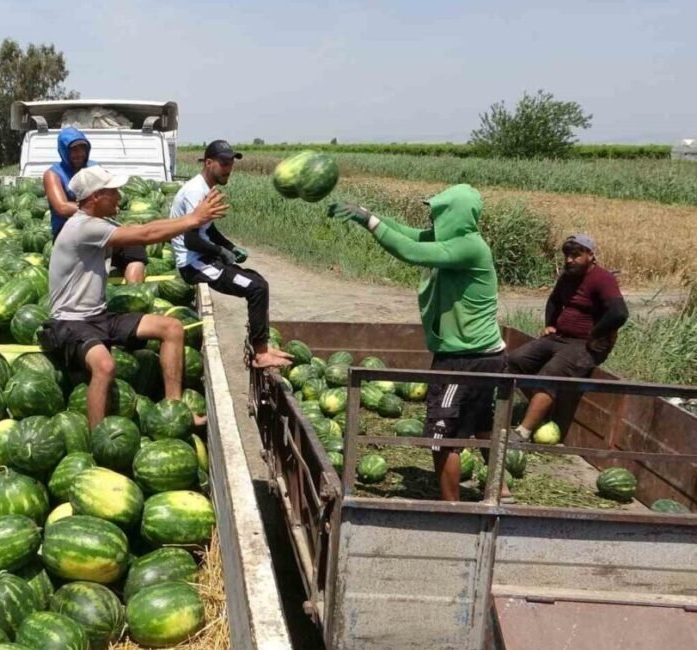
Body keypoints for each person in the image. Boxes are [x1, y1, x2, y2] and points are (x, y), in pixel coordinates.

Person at [329, 184, 511, 502]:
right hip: (483, 355)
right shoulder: (455, 240)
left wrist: (369, 222)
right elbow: (409, 235)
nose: (432, 217)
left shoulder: (469, 248)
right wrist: (367, 215)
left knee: (443, 438)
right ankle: (502, 488)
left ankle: (450, 509)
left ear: (455, 213)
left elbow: (409, 251)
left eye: (438, 211)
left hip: (464, 359)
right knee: (481, 423)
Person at [39, 165, 228, 429]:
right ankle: (98, 437)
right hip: (70, 322)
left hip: (98, 315)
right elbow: (145, 235)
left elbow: (147, 227)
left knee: (172, 328)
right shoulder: (83, 228)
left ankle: (174, 408)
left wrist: (189, 219)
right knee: (104, 366)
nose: (119, 196)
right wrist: (193, 219)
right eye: (113, 191)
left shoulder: (98, 223)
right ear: (95, 197)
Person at [170, 140, 292, 369]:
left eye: (231, 163)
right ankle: (261, 354)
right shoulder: (196, 192)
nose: (229, 169)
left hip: (204, 259)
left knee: (258, 281)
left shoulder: (206, 188)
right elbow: (191, 239)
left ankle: (262, 345)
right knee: (255, 288)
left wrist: (230, 247)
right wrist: (220, 252)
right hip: (194, 264)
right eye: (224, 163)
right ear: (209, 163)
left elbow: (208, 229)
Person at [508, 234, 628, 439]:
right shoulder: (567, 276)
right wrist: (550, 324)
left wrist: (596, 334)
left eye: (576, 255)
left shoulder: (603, 279)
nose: (569, 260)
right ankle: (540, 411)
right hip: (559, 338)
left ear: (590, 255)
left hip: (584, 345)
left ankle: (523, 432)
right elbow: (554, 300)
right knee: (514, 361)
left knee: (551, 373)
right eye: (567, 255)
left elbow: (619, 313)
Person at [44, 127, 147, 284]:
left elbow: (109, 192)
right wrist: (94, 207)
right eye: (73, 150)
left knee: (134, 246)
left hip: (98, 226)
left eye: (82, 149)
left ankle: (136, 294)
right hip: (69, 233)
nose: (79, 154)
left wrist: (109, 206)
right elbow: (62, 207)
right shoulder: (53, 174)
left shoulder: (94, 168)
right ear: (63, 151)